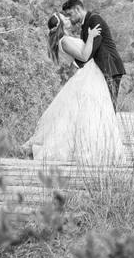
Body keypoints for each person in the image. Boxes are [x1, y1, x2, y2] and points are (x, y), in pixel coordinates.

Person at [22, 12, 125, 168]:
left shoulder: (65, 40)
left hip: (89, 75)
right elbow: (84, 56)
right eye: (65, 19)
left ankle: (95, 143)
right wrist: (90, 37)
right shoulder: (65, 41)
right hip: (88, 76)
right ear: (61, 25)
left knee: (86, 114)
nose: (68, 19)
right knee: (85, 114)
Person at [61, 0, 126, 111]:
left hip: (110, 68)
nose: (69, 18)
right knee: (101, 108)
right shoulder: (84, 27)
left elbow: (94, 47)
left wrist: (76, 64)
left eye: (70, 14)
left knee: (109, 108)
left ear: (77, 9)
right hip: (100, 70)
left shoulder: (94, 19)